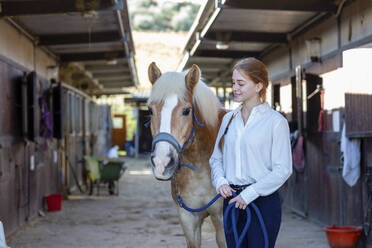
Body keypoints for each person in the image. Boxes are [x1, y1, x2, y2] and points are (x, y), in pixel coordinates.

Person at [209, 57, 293, 248]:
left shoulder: (275, 122)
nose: (235, 88)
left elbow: (283, 169)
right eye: (233, 83)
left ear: (258, 86)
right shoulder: (228, 119)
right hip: (231, 201)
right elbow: (216, 158)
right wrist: (220, 181)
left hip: (261, 203)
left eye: (241, 83)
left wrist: (249, 194)